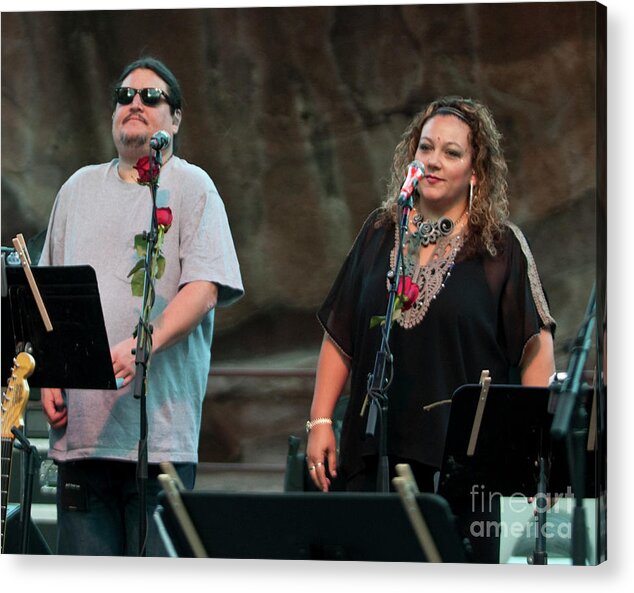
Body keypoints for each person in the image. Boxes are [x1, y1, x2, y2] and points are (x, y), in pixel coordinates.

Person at [305, 96, 556, 562]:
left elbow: (535, 349)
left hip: (463, 467)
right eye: (425, 148)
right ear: (410, 159)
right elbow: (340, 336)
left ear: (476, 172)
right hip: (373, 453)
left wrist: (528, 445)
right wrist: (321, 420)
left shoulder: (500, 248)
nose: (434, 161)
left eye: (452, 152)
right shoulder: (380, 233)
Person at [38, 57, 244, 556]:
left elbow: (205, 288)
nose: (135, 103)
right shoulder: (77, 188)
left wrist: (142, 345)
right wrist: (48, 374)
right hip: (82, 438)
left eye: (151, 97)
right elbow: (47, 294)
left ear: (174, 120)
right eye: (125, 96)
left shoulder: (194, 187)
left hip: (161, 440)